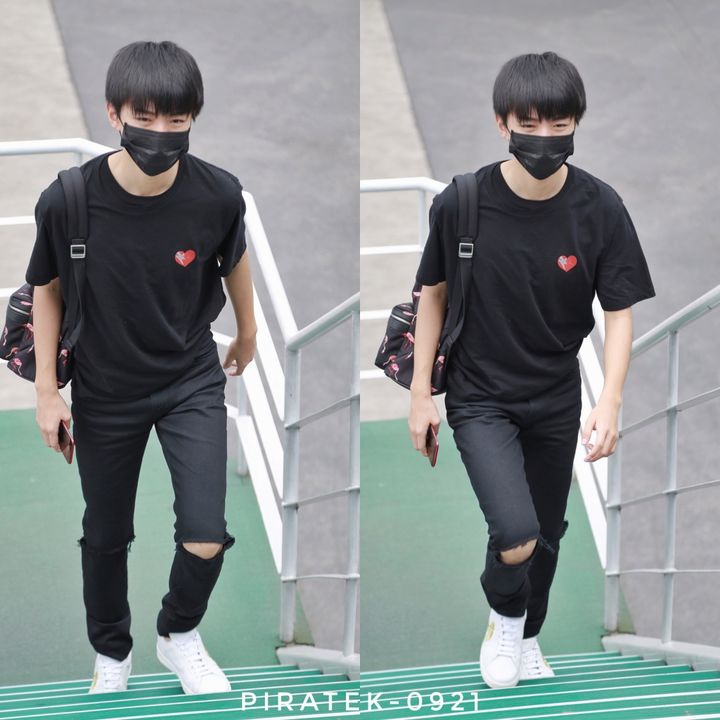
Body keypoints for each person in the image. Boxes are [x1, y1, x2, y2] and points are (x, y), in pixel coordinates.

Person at [408, 51, 655, 689]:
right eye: (530, 124)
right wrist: (420, 395)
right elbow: (432, 296)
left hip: (555, 395)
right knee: (516, 532)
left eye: (559, 125)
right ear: (502, 123)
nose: (544, 138)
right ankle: (504, 619)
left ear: (576, 125)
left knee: (546, 532)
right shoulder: (462, 203)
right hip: (479, 396)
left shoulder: (600, 208)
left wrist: (610, 400)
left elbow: (619, 312)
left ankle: (525, 632)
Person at [27, 40, 256, 695]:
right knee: (106, 533)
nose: (161, 132)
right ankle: (112, 651)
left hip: (189, 380)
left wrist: (248, 331)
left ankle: (178, 634)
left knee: (206, 534)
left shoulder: (217, 193)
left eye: (176, 119)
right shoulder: (69, 199)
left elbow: (233, 258)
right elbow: (47, 288)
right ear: (114, 113)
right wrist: (47, 391)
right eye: (145, 117)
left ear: (194, 117)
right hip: (105, 389)